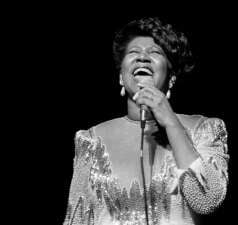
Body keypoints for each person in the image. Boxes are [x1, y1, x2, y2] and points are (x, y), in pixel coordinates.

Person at [63, 17, 229, 225]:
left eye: (155, 52)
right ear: (122, 77)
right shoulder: (91, 140)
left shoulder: (203, 129)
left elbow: (207, 200)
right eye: (133, 52)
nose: (142, 57)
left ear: (171, 77)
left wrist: (170, 122)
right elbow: (76, 220)